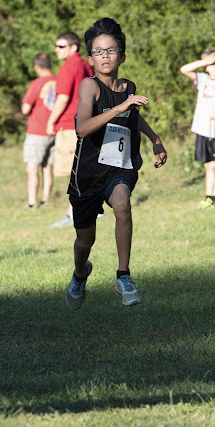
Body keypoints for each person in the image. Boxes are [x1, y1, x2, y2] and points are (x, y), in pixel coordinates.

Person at [65, 17, 167, 310]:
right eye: (99, 51)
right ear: (90, 58)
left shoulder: (128, 87)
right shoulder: (89, 87)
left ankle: (123, 276)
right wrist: (118, 108)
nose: (105, 56)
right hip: (86, 175)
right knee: (85, 242)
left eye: (111, 50)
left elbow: (133, 116)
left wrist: (154, 138)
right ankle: (80, 274)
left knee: (122, 204)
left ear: (122, 54)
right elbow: (82, 128)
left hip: (119, 167)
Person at [47, 31, 93, 228]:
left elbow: (63, 97)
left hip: (68, 125)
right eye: (57, 46)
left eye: (61, 46)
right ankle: (87, 209)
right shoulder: (85, 65)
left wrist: (50, 121)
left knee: (72, 172)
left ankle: (73, 213)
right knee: (83, 169)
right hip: (87, 122)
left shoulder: (67, 67)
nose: (56, 50)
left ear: (73, 47)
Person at [180, 48, 215, 208]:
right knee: (208, 165)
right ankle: (208, 197)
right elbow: (184, 69)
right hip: (202, 128)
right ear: (206, 66)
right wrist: (206, 61)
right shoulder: (202, 79)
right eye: (212, 64)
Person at [20, 52, 56, 211]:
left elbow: (25, 108)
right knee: (47, 168)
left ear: (36, 67)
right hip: (55, 130)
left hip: (37, 131)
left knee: (32, 168)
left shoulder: (37, 83)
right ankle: (45, 200)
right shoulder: (58, 81)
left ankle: (32, 203)